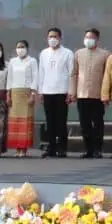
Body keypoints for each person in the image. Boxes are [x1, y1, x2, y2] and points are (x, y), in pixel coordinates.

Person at [38, 27, 75, 158]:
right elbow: (41, 73)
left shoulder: (68, 53)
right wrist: (40, 91)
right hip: (47, 91)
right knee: (50, 122)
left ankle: (62, 148)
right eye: (50, 37)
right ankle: (51, 147)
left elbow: (72, 74)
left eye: (55, 36)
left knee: (61, 121)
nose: (52, 39)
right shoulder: (43, 53)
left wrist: (71, 92)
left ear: (60, 38)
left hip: (62, 92)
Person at [72, 28, 109, 158]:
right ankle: (88, 149)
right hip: (82, 94)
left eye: (91, 37)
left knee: (98, 123)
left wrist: (106, 94)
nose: (88, 40)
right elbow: (74, 74)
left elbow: (107, 76)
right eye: (87, 37)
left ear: (97, 39)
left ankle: (98, 150)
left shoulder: (105, 54)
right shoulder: (78, 54)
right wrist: (73, 92)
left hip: (97, 94)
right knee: (84, 123)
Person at [6, 40, 38, 157]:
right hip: (15, 93)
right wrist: (8, 95)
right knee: (16, 122)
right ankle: (17, 148)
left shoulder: (32, 61)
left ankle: (23, 149)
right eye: (18, 47)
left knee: (25, 122)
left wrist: (33, 94)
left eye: (22, 47)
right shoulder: (12, 62)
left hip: (27, 93)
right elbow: (9, 78)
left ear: (27, 48)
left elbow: (35, 77)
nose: (20, 49)